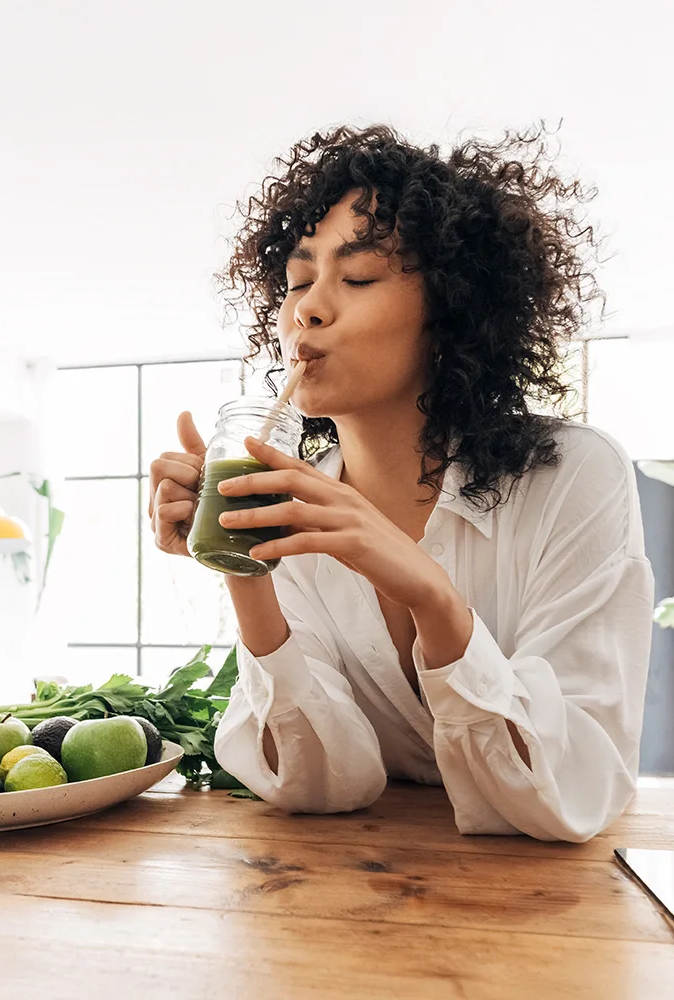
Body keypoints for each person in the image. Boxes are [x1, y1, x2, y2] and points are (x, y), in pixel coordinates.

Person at [148, 124, 655, 842]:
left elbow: (575, 791)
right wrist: (244, 565)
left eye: (356, 278)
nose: (307, 309)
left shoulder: (573, 477)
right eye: (297, 281)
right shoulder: (288, 502)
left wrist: (432, 596)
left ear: (449, 310)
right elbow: (319, 786)